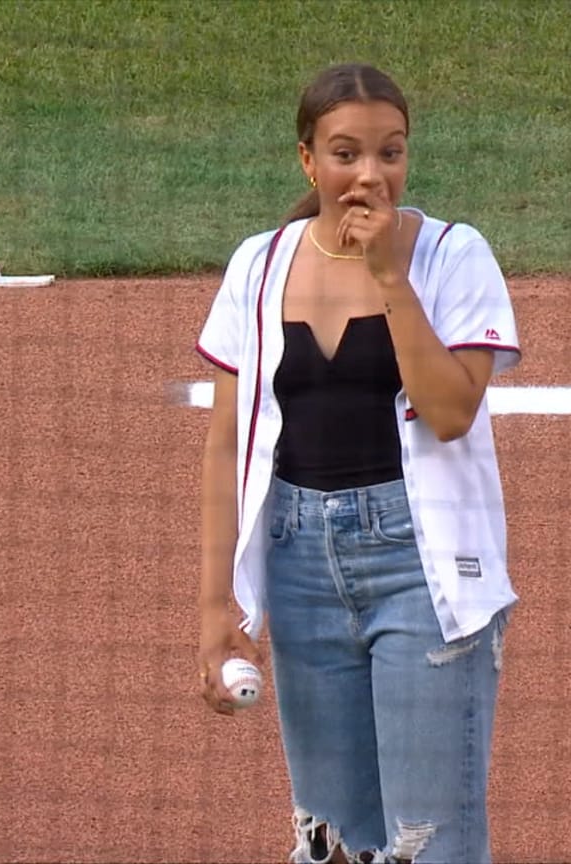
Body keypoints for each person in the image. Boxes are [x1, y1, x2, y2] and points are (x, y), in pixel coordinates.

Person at [193, 62, 521, 864]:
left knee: (430, 843)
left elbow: (448, 413)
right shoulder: (257, 266)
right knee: (332, 838)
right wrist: (215, 607)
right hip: (299, 566)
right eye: (345, 154)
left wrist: (388, 279)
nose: (369, 174)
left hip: (424, 563)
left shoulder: (453, 256)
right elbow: (227, 442)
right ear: (308, 160)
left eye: (390, 153)